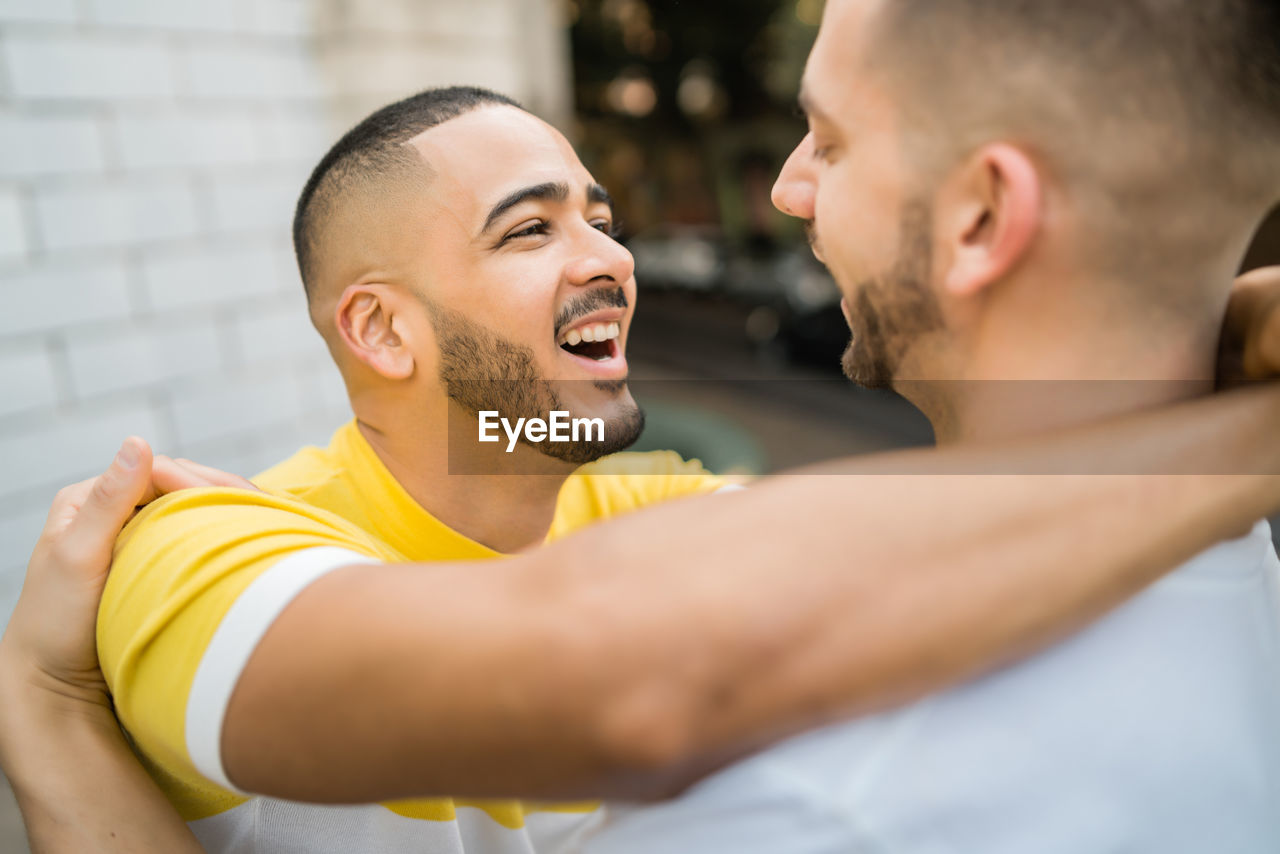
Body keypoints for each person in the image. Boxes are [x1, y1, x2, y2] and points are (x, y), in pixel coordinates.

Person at [4, 67, 1280, 854]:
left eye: (599, 216)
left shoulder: (647, 499)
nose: (607, 257)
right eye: (529, 229)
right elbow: (610, 658)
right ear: (379, 326)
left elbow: (903, 540)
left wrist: (1195, 338)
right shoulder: (191, 550)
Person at [575, 0, 1280, 850]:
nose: (787, 188)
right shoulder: (1247, 601)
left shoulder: (803, 795)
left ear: (981, 216)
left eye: (831, 142)